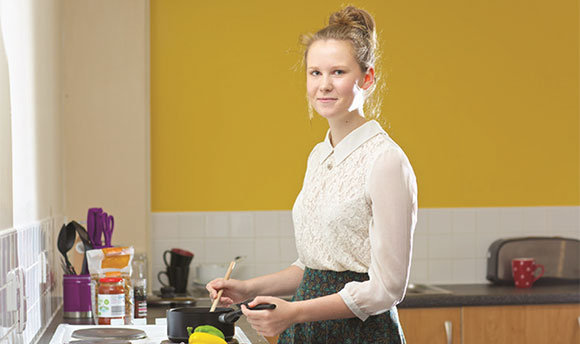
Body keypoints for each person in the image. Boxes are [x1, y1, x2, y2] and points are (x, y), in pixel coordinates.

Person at [207, 6, 417, 343]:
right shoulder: (319, 156)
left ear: (367, 78)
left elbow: (386, 289)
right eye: (315, 73)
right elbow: (316, 264)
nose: (324, 85)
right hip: (306, 329)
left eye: (338, 72)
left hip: (361, 334)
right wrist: (248, 288)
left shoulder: (386, 160)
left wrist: (296, 312)